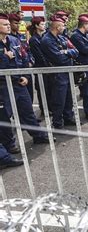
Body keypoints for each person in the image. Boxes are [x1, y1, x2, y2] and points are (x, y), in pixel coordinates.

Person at [0, 13, 50, 152]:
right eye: (5, 24)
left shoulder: (14, 40)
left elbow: (24, 58)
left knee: (27, 111)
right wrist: (5, 57)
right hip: (3, 85)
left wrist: (24, 75)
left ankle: (38, 135)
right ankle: (8, 144)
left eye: (8, 24)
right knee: (4, 116)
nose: (8, 26)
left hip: (18, 82)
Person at [40, 15, 78, 129]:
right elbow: (58, 59)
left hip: (66, 71)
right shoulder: (47, 40)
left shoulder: (62, 38)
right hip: (57, 74)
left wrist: (65, 52)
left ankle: (68, 118)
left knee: (68, 97)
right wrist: (68, 54)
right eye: (63, 26)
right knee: (58, 99)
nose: (64, 28)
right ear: (57, 27)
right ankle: (57, 122)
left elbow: (75, 51)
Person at [28, 16, 52, 117]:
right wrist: (48, 64)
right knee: (42, 90)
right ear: (37, 26)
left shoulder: (43, 37)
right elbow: (40, 56)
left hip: (48, 68)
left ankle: (49, 108)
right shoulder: (34, 40)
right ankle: (44, 109)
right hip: (41, 68)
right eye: (42, 24)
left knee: (49, 89)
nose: (44, 25)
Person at [8, 14, 34, 100]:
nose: (18, 25)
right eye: (16, 23)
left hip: (26, 70)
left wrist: (31, 61)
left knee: (29, 97)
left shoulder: (21, 36)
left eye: (19, 23)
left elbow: (28, 50)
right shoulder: (8, 39)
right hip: (16, 74)